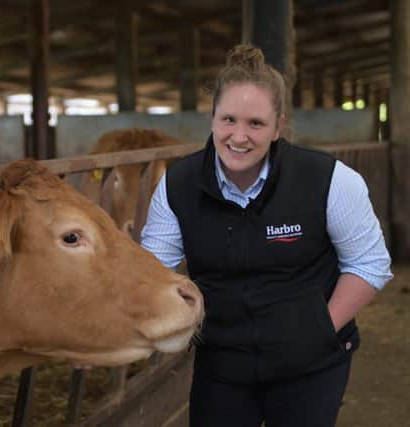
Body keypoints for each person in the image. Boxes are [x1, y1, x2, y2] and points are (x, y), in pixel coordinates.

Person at [141, 44, 393, 427]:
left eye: (255, 123)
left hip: (311, 363)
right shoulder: (178, 184)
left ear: (278, 127)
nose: (238, 136)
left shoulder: (329, 180)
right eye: (228, 119)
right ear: (212, 120)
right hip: (222, 364)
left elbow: (369, 263)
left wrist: (319, 329)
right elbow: (152, 271)